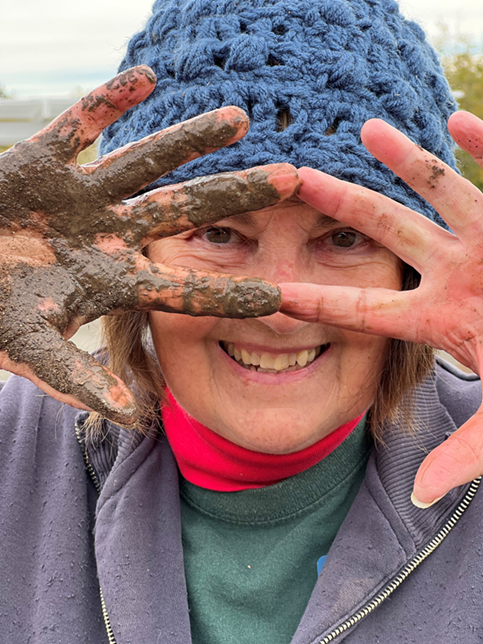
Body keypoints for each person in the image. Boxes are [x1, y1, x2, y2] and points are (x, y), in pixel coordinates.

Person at [1, 0, 483, 642]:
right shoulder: (15, 456)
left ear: (413, 269)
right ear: (129, 259)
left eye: (344, 238)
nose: (279, 304)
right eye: (220, 231)